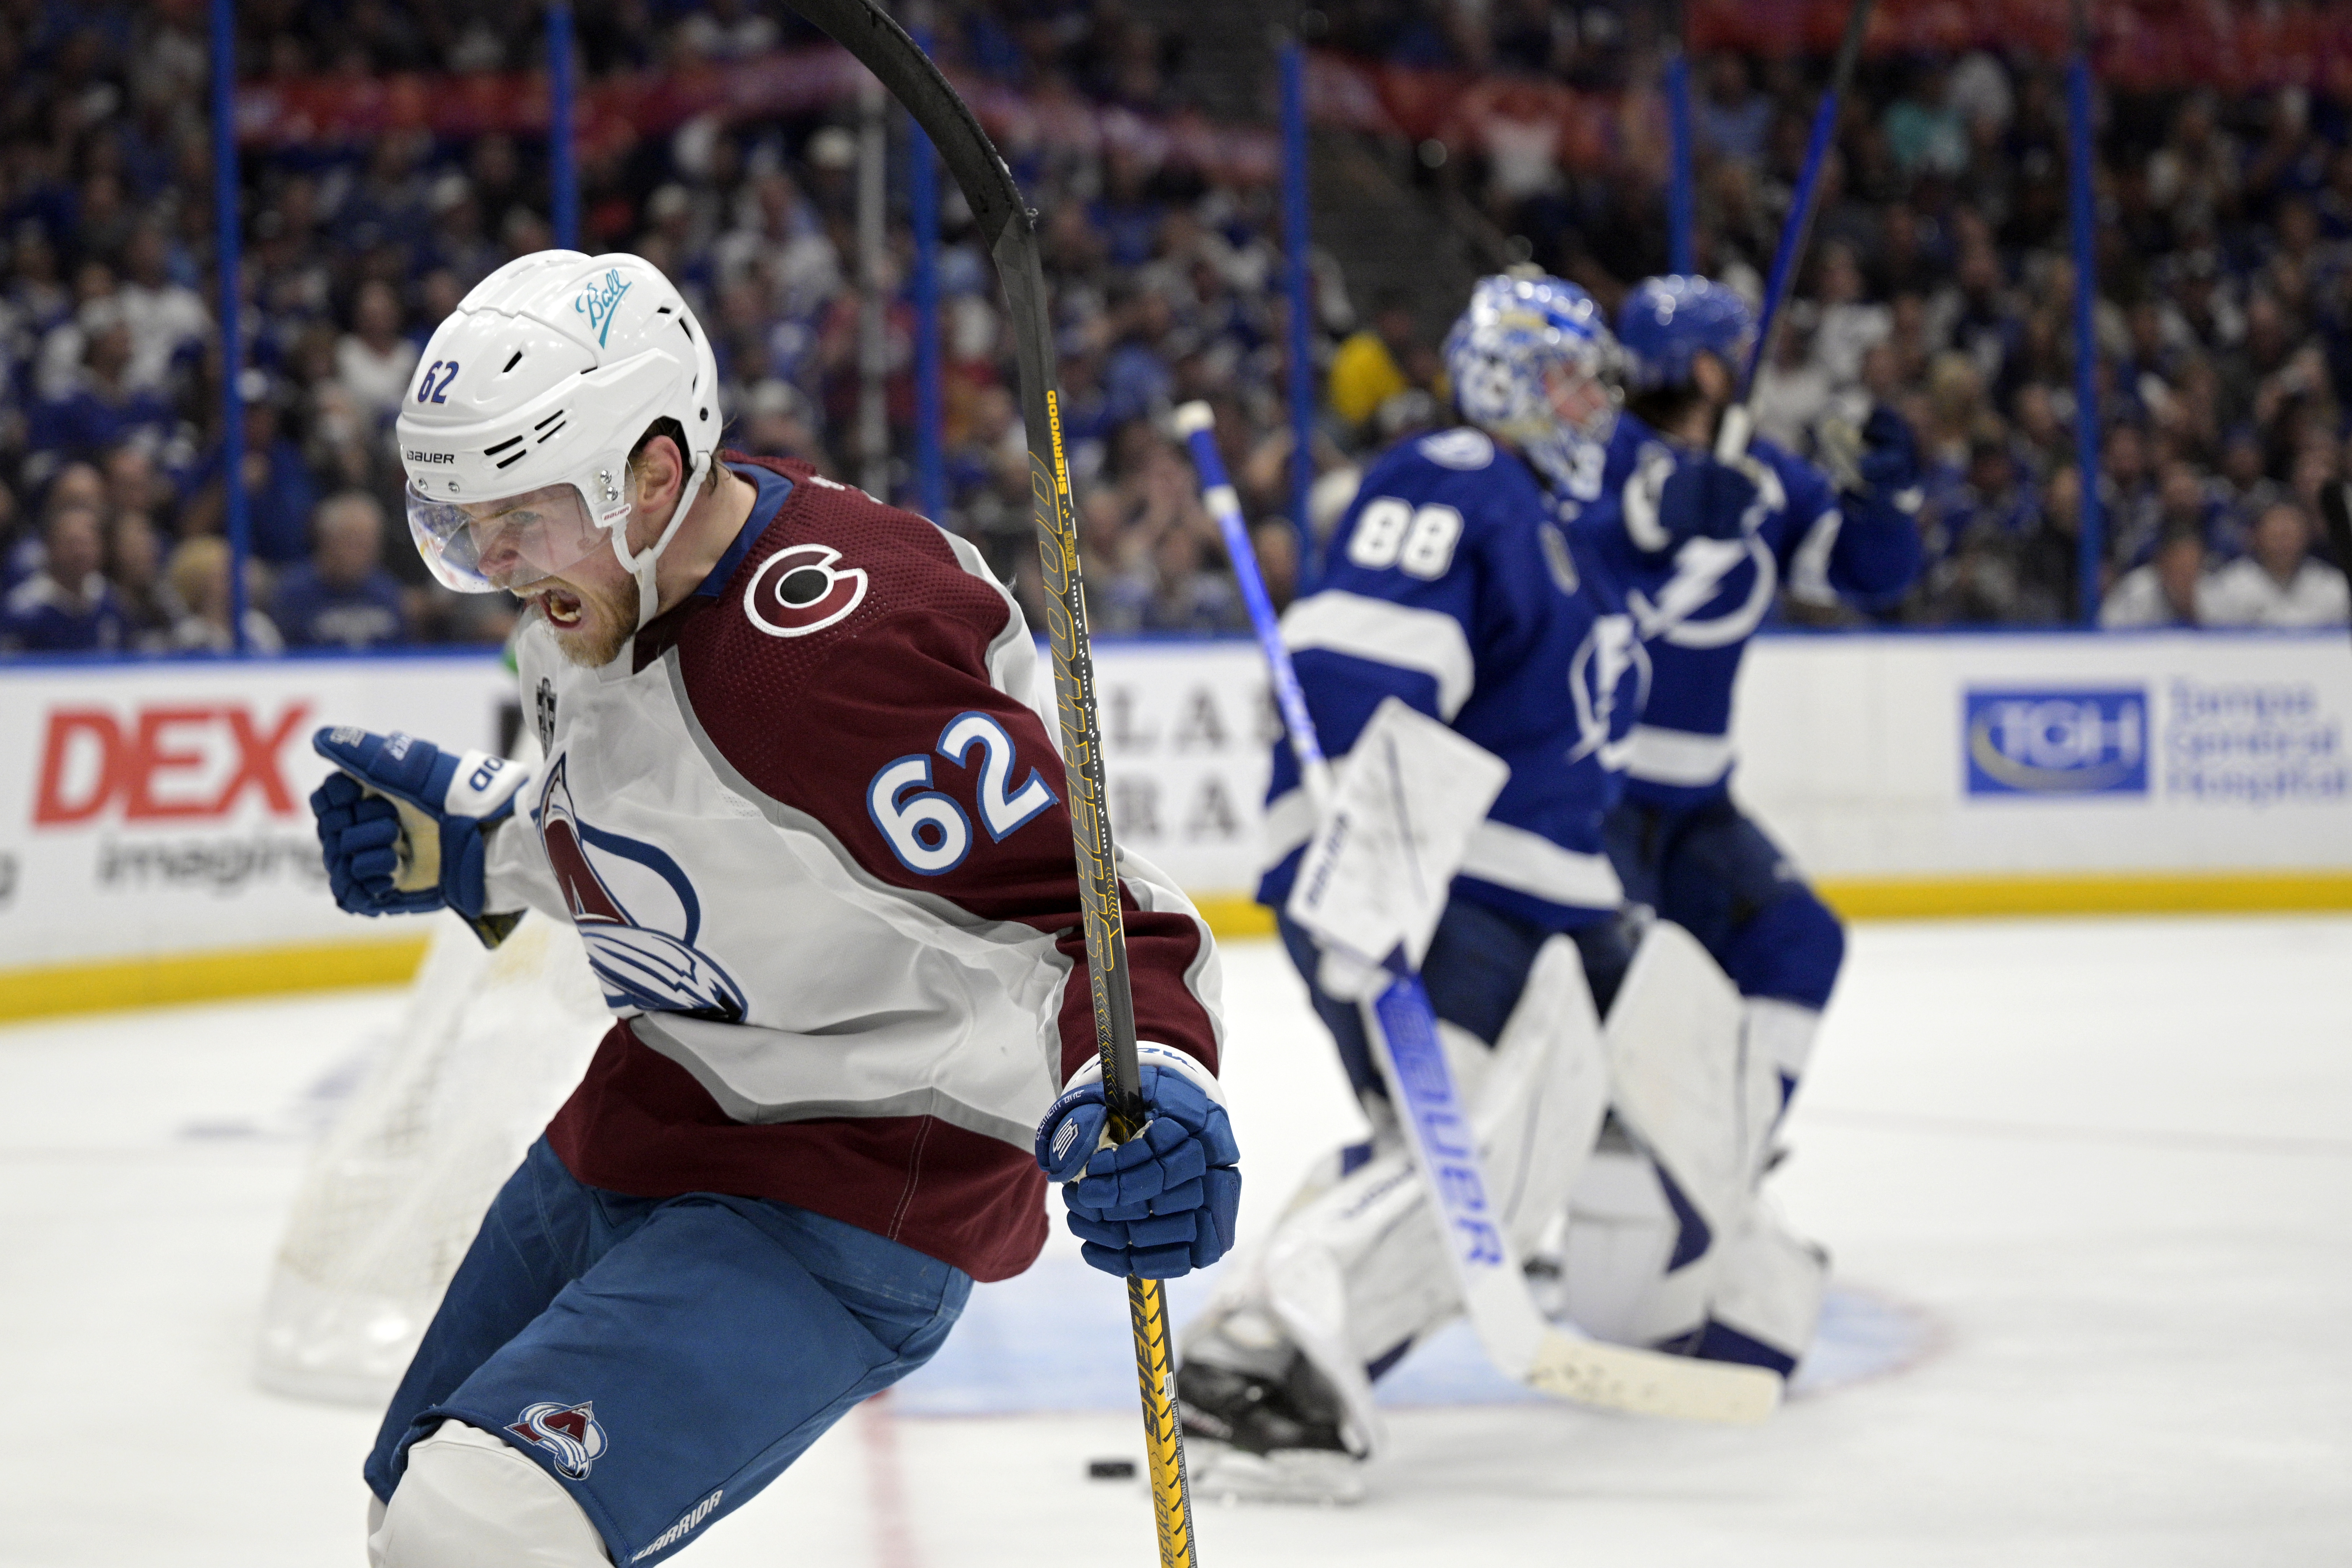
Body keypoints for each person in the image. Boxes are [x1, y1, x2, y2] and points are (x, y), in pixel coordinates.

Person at [306, 250, 1237, 1568]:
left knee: (482, 1528)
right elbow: (691, 838)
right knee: (415, 1500)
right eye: (464, 524)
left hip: (851, 1179)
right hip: (656, 1107)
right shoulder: (596, 593)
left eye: (520, 515)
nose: (496, 561)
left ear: (652, 471)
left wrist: (1158, 1083)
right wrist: (489, 853)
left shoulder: (840, 657)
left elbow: (1089, 919)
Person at [1176, 273, 1645, 1496]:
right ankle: (1273, 1358)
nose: (1595, 403)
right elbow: (1353, 667)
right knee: (1472, 1157)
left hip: (1505, 893)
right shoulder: (1458, 474)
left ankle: (1251, 1358)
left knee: (1447, 1150)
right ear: (1505, 380)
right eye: (1571, 377)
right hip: (1448, 886)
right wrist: (1363, 872)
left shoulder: (1555, 527)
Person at [1567, 275, 1922, 1372]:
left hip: (1699, 808)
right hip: (1598, 804)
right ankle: (1587, 1186)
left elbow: (1872, 577)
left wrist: (1886, 494)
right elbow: (1600, 557)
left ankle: (1722, 1167)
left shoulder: (1767, 478)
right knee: (1619, 1006)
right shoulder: (1598, 462)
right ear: (1714, 366)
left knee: (1798, 939)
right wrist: (1674, 514)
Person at [275, 492, 409, 649]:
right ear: (326, 540)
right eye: (353, 543)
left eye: (369, 544)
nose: (363, 553)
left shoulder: (388, 593)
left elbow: (403, 657)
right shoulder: (294, 595)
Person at [0, 503, 130, 652]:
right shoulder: (24, 609)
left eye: (88, 543)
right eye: (72, 543)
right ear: (50, 547)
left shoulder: (110, 599)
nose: (81, 552)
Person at [2199, 499, 2351, 627]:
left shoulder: (2333, 584)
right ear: (2256, 537)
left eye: (2290, 534)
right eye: (2276, 535)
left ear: (2306, 537)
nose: (2283, 543)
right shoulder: (2228, 585)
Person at [2099, 522, 2209, 627]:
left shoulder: (2209, 590)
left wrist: (2190, 609)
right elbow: (2108, 633)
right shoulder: (2137, 592)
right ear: (2163, 563)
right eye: (2181, 567)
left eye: (2192, 567)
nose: (2187, 575)